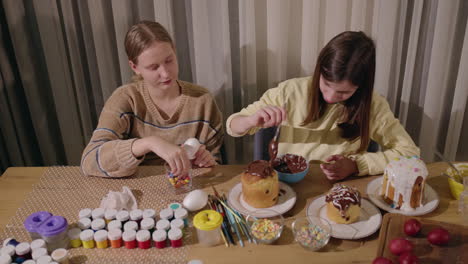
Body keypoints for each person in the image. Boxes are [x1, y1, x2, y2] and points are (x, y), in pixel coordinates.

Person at [226, 31, 419, 181]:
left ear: (361, 88)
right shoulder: (290, 92)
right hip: (287, 182)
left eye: (343, 93)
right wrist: (251, 120)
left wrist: (356, 164)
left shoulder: (373, 106)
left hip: (341, 185)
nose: (330, 97)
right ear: (319, 70)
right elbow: (232, 126)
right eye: (326, 84)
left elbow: (409, 153)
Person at [81, 21, 223, 178]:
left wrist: (205, 162)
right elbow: (89, 162)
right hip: (137, 191)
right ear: (135, 67)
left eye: (169, 60)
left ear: (174, 51)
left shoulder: (203, 101)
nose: (166, 74)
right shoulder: (126, 99)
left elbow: (217, 165)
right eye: (153, 67)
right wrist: (149, 143)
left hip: (187, 188)